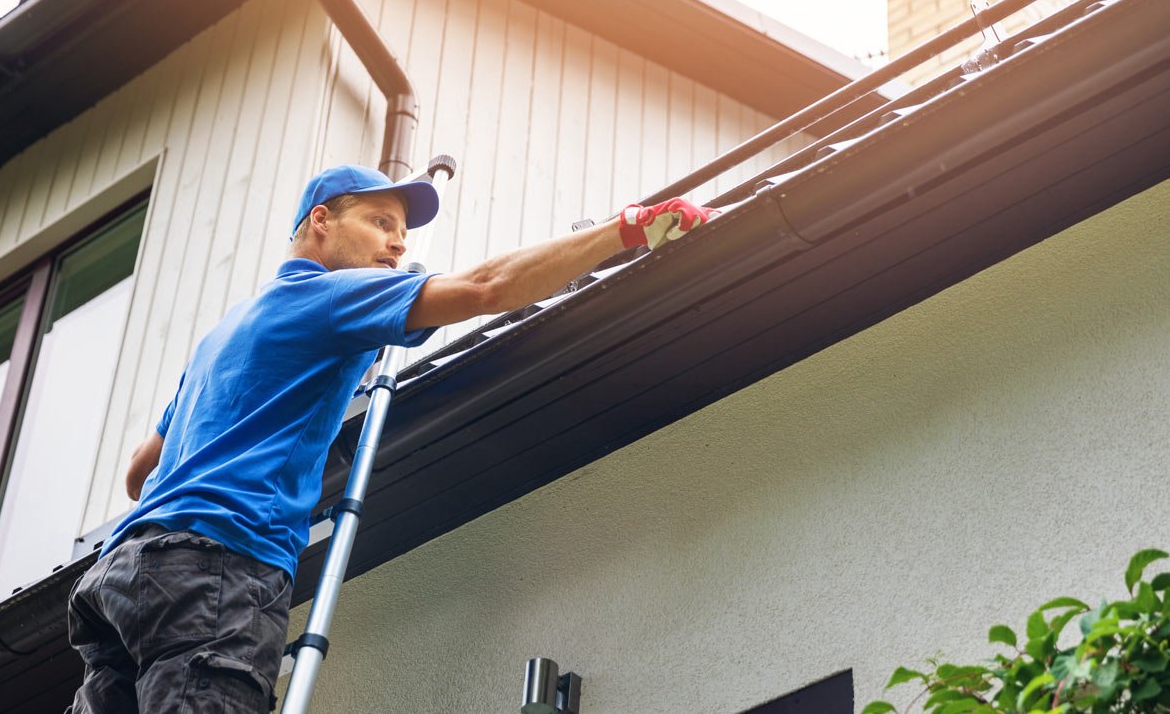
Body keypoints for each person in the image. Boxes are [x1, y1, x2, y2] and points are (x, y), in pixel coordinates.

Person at [65, 164, 716, 713]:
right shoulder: (329, 297)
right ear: (321, 220)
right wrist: (626, 228)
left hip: (122, 578)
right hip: (217, 572)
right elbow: (486, 287)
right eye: (380, 224)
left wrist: (272, 459)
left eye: (402, 235)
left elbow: (139, 472)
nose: (397, 246)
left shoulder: (224, 334)